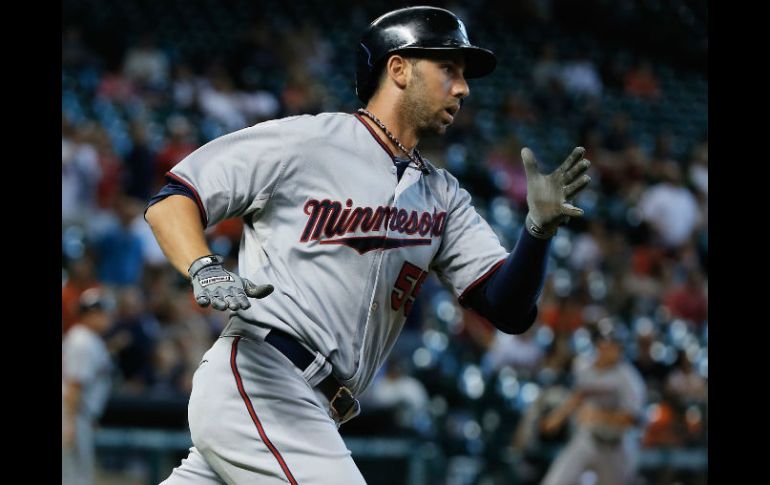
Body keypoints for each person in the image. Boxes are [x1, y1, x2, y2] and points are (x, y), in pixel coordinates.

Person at [144, 6, 592, 484]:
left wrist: (537, 233)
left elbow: (507, 309)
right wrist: (203, 265)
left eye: (463, 75)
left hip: (314, 407)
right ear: (398, 68)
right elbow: (174, 199)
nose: (462, 87)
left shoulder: (443, 195)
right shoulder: (306, 142)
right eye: (448, 69)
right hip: (264, 377)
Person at [540, 325, 646, 485]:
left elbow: (633, 419)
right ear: (598, 345)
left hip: (617, 447)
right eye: (607, 344)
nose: (612, 349)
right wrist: (558, 417)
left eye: (616, 344)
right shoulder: (583, 366)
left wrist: (597, 416)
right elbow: (579, 396)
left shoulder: (629, 379)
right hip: (588, 439)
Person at [62, 288, 115, 485]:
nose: (107, 317)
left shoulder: (89, 339)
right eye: (102, 313)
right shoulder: (82, 341)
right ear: (90, 314)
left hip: (79, 414)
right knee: (73, 479)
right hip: (72, 415)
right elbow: (74, 386)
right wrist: (68, 425)